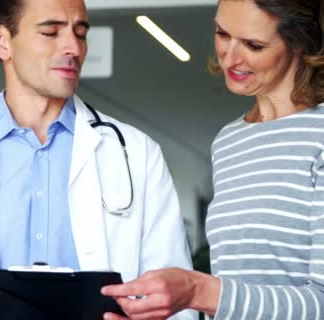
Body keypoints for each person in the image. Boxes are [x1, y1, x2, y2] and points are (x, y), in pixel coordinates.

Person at [0, 0, 196, 319]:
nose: (73, 47)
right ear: (2, 42)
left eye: (80, 33)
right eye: (51, 31)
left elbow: (180, 298)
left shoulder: (136, 155)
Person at [102, 0, 324, 319]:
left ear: (300, 44)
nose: (230, 57)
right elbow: (232, 296)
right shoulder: (229, 141)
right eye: (222, 33)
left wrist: (197, 290)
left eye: (253, 45)